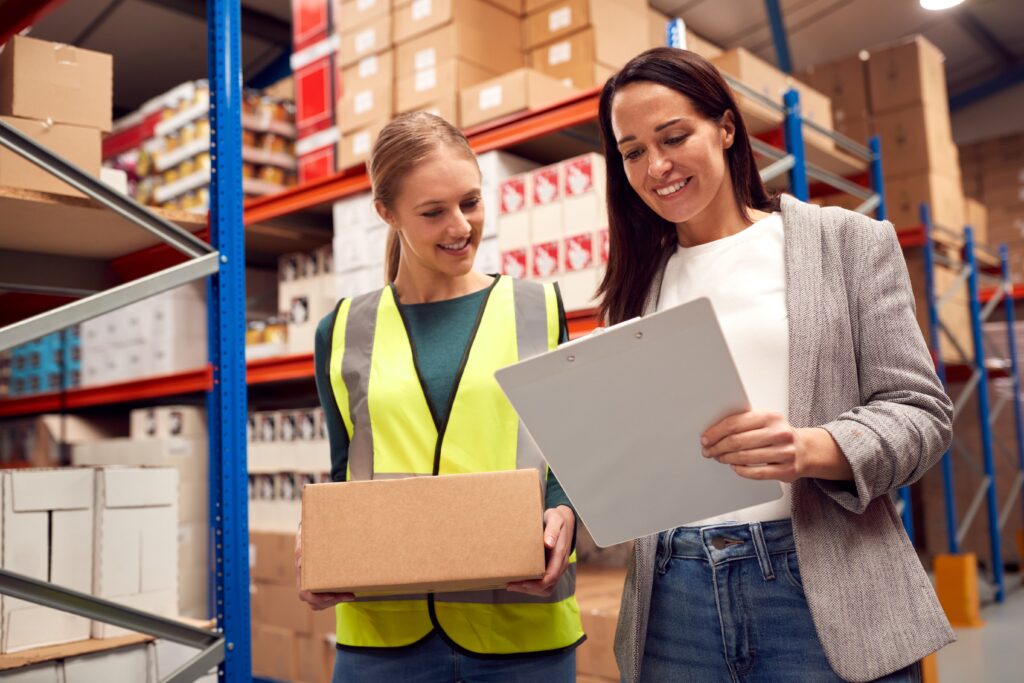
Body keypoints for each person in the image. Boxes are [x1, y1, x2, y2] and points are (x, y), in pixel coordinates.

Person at [597, 47, 954, 683]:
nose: (656, 166)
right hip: (675, 595)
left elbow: (921, 412)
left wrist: (814, 448)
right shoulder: (636, 284)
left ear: (727, 129)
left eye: (674, 137)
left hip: (814, 586)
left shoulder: (846, 242)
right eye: (631, 152)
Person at [294, 112, 585, 683]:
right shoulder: (343, 329)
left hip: (521, 629)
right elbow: (344, 473)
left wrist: (565, 512)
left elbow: (564, 459)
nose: (461, 226)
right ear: (387, 212)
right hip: (383, 634)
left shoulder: (536, 308)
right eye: (433, 212)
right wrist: (321, 544)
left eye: (471, 203)